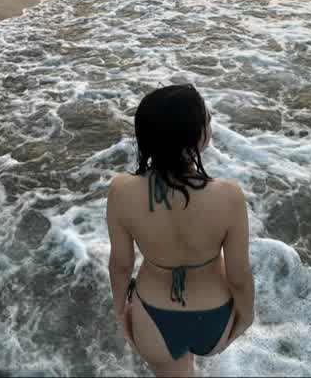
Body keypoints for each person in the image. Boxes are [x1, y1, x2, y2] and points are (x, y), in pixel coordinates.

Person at [106, 84, 255, 377]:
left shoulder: (121, 191)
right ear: (196, 136)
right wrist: (246, 315)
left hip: (153, 317)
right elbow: (239, 275)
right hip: (215, 316)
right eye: (206, 118)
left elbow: (121, 264)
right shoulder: (229, 196)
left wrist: (120, 311)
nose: (210, 120)